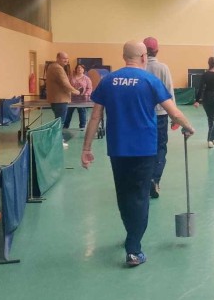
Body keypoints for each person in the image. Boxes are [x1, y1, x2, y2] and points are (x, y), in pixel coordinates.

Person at [80, 41, 195, 267]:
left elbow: (95, 117)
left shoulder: (108, 81)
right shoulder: (150, 81)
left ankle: (131, 235)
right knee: (140, 196)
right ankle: (133, 249)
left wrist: (86, 148)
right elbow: (173, 112)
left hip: (118, 148)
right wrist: (188, 127)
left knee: (124, 195)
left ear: (124, 57)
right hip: (144, 149)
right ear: (144, 57)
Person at [143, 36, 174, 199]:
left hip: (142, 115)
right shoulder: (163, 68)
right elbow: (169, 92)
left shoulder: (139, 68)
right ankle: (155, 180)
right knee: (160, 147)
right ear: (157, 50)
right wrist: (175, 116)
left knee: (144, 147)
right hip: (161, 114)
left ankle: (144, 180)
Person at [45, 51, 78, 147]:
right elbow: (64, 83)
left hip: (56, 99)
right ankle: (58, 141)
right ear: (57, 58)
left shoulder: (52, 67)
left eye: (67, 58)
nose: (66, 60)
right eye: (64, 58)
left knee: (58, 121)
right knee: (60, 122)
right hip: (60, 100)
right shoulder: (58, 68)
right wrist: (75, 91)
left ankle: (56, 139)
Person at [194, 56, 214, 148]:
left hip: (206, 98)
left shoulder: (205, 75)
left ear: (209, 64)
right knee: (213, 119)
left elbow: (200, 88)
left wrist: (197, 100)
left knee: (211, 118)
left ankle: (213, 137)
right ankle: (210, 139)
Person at [63, 64, 93, 130]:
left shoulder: (87, 79)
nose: (79, 69)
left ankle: (82, 127)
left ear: (83, 70)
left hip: (82, 99)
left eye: (81, 68)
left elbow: (89, 88)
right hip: (71, 98)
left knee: (82, 112)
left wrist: (86, 94)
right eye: (78, 68)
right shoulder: (70, 77)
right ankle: (65, 126)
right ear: (76, 69)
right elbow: (67, 86)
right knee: (68, 113)